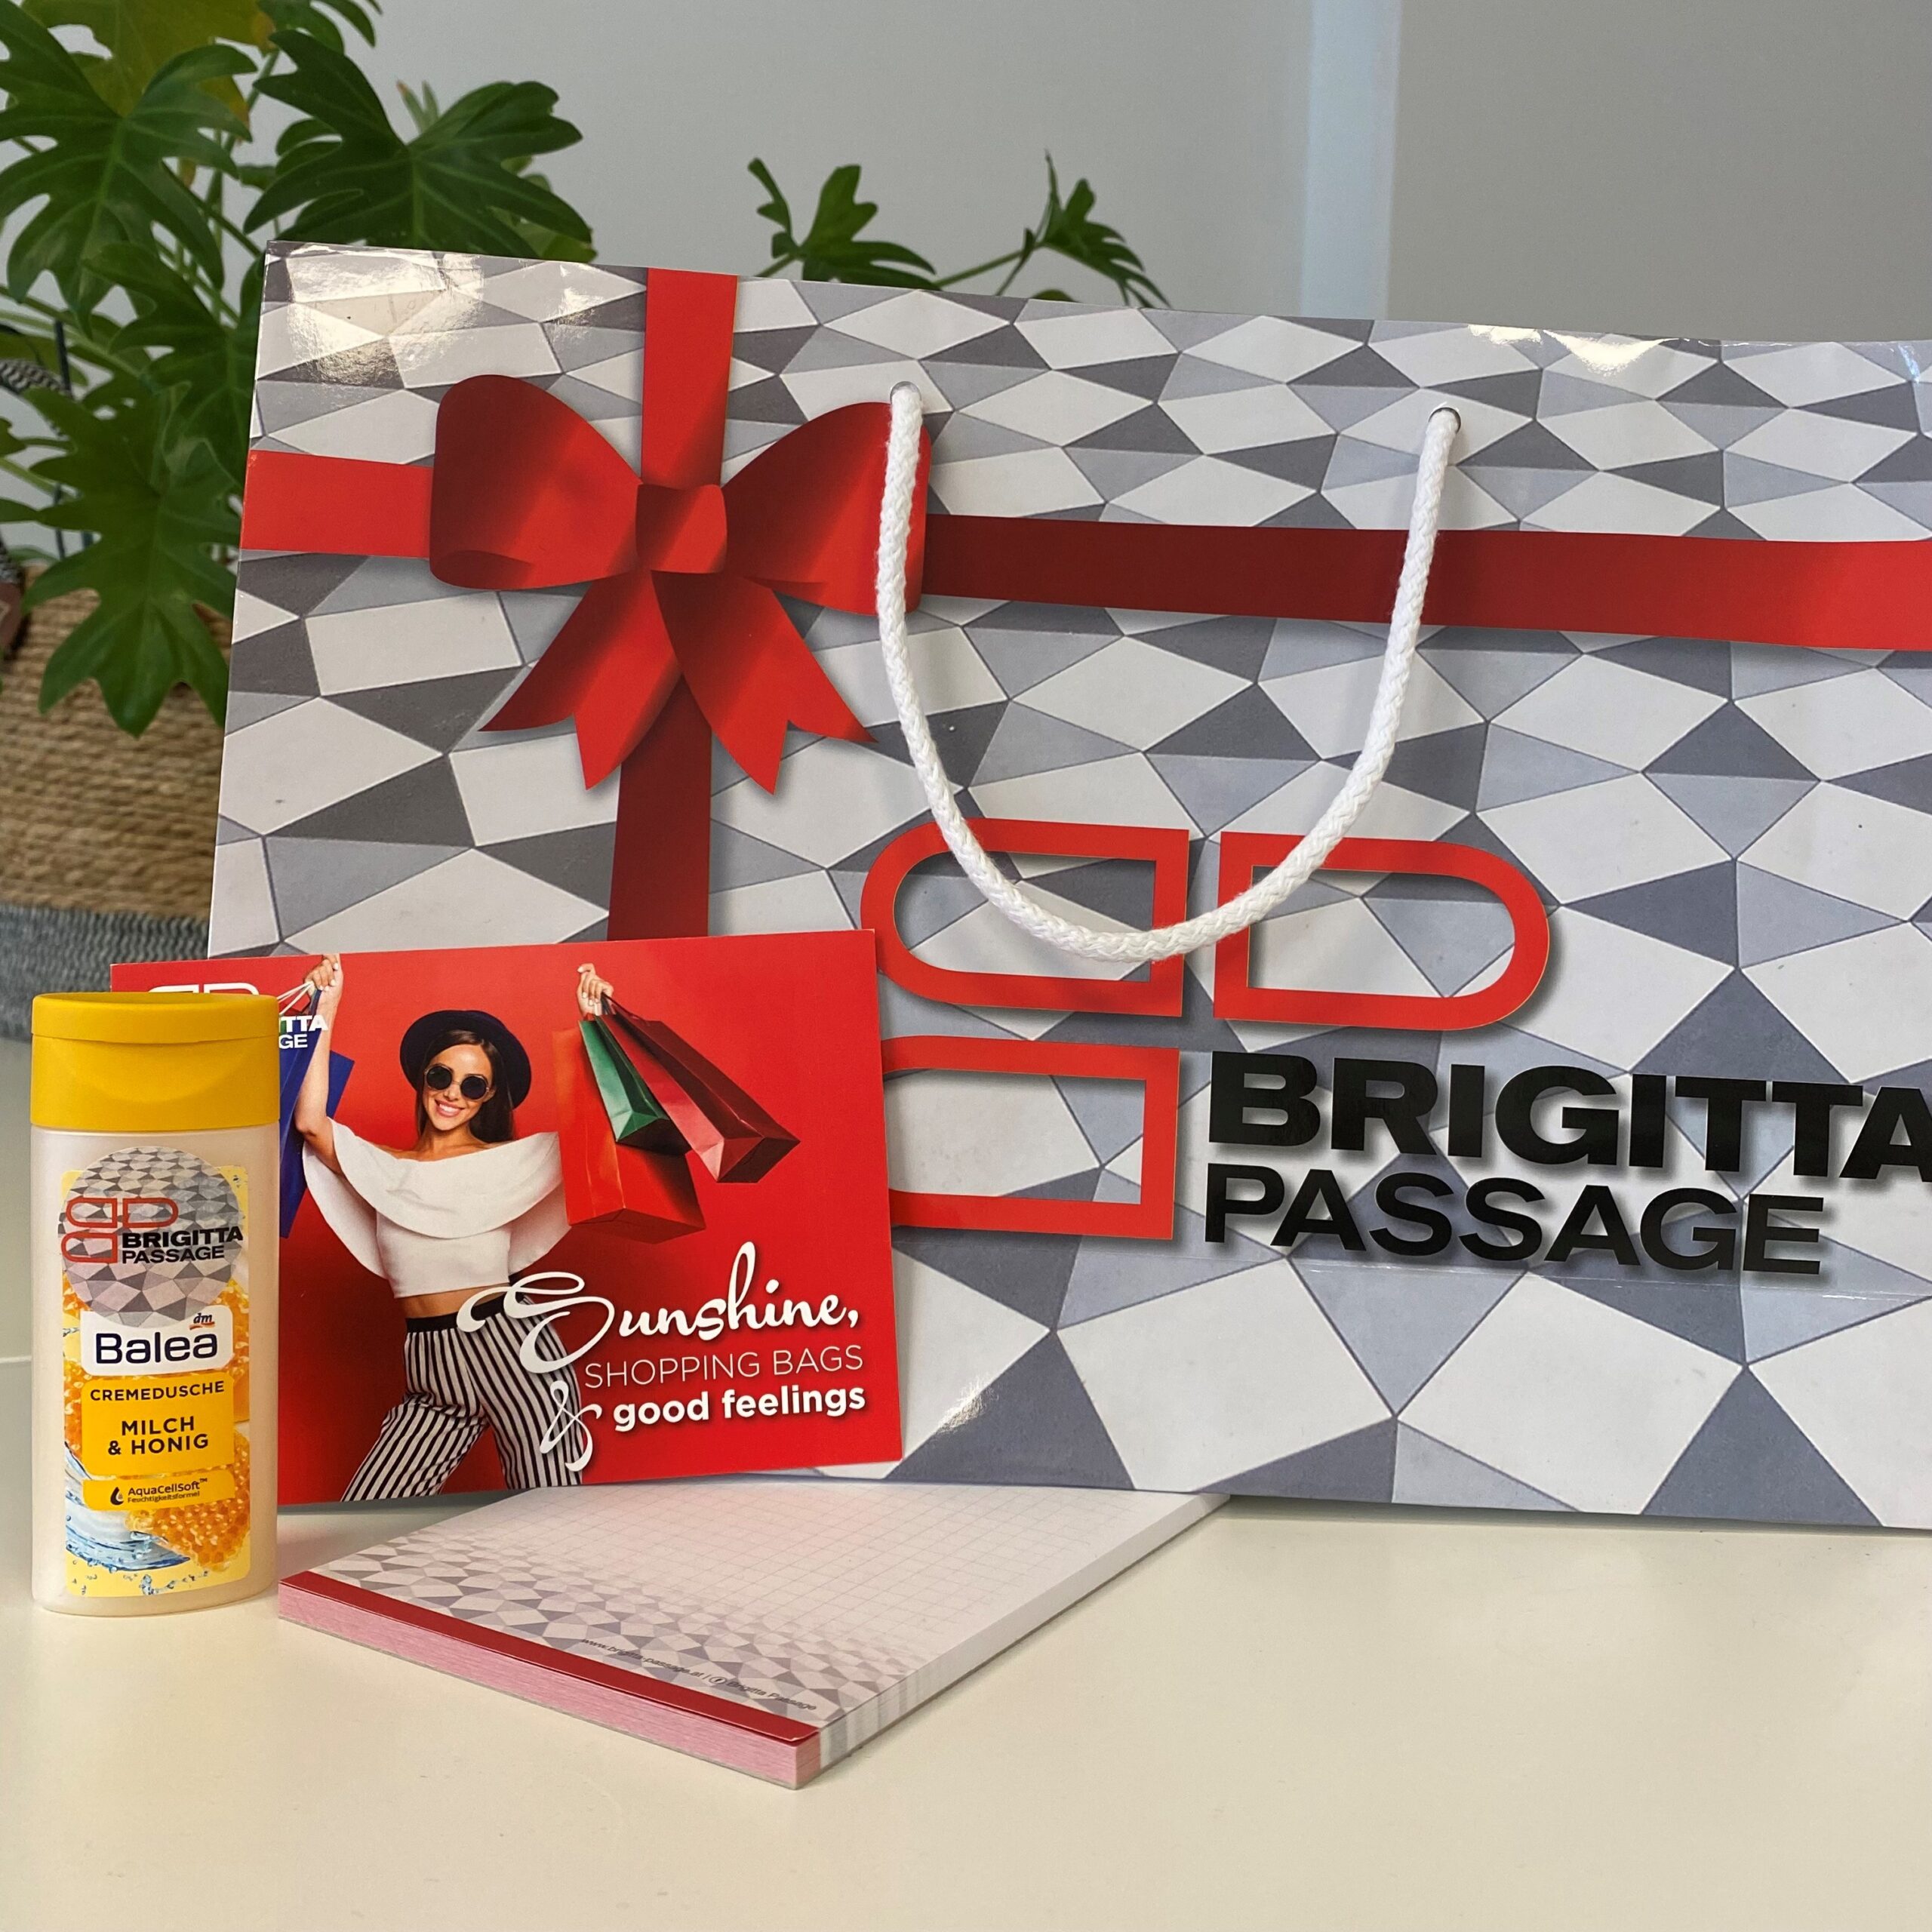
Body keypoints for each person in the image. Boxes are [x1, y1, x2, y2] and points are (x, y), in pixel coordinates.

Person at [294, 956, 612, 1500]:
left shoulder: (509, 1162)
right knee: (366, 1516)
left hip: (515, 1352)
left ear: (488, 1097)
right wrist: (326, 1009)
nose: (452, 1094)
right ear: (424, 1078)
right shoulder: (384, 1168)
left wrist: (594, 1026)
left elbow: (599, 1131)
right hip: (430, 1363)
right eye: (441, 1076)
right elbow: (309, 1123)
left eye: (473, 1084)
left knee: (552, 1515)